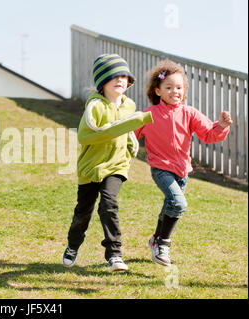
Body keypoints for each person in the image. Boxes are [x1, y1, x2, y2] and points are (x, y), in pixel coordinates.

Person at [134, 59, 232, 266]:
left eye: (178, 87)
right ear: (158, 91)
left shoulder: (190, 113)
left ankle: (155, 240)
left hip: (182, 171)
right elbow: (129, 135)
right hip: (160, 168)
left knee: (170, 206)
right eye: (168, 87)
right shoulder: (148, 115)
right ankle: (163, 245)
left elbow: (208, 134)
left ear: (184, 90)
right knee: (178, 203)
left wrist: (221, 126)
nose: (174, 91)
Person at [63, 54, 153, 272]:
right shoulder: (94, 106)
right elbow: (89, 134)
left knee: (109, 204)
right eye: (114, 76)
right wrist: (131, 124)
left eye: (124, 76)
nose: (120, 80)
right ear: (102, 81)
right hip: (91, 167)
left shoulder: (129, 105)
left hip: (117, 164)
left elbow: (126, 128)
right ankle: (73, 245)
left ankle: (114, 254)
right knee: (83, 212)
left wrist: (131, 141)